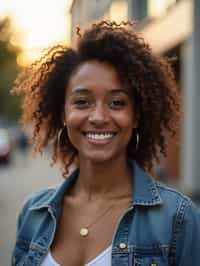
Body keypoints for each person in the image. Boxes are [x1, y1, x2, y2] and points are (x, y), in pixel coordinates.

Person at [11, 21, 200, 266]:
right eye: (82, 102)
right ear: (63, 114)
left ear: (136, 117)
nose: (99, 117)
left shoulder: (178, 218)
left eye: (117, 103)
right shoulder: (32, 214)